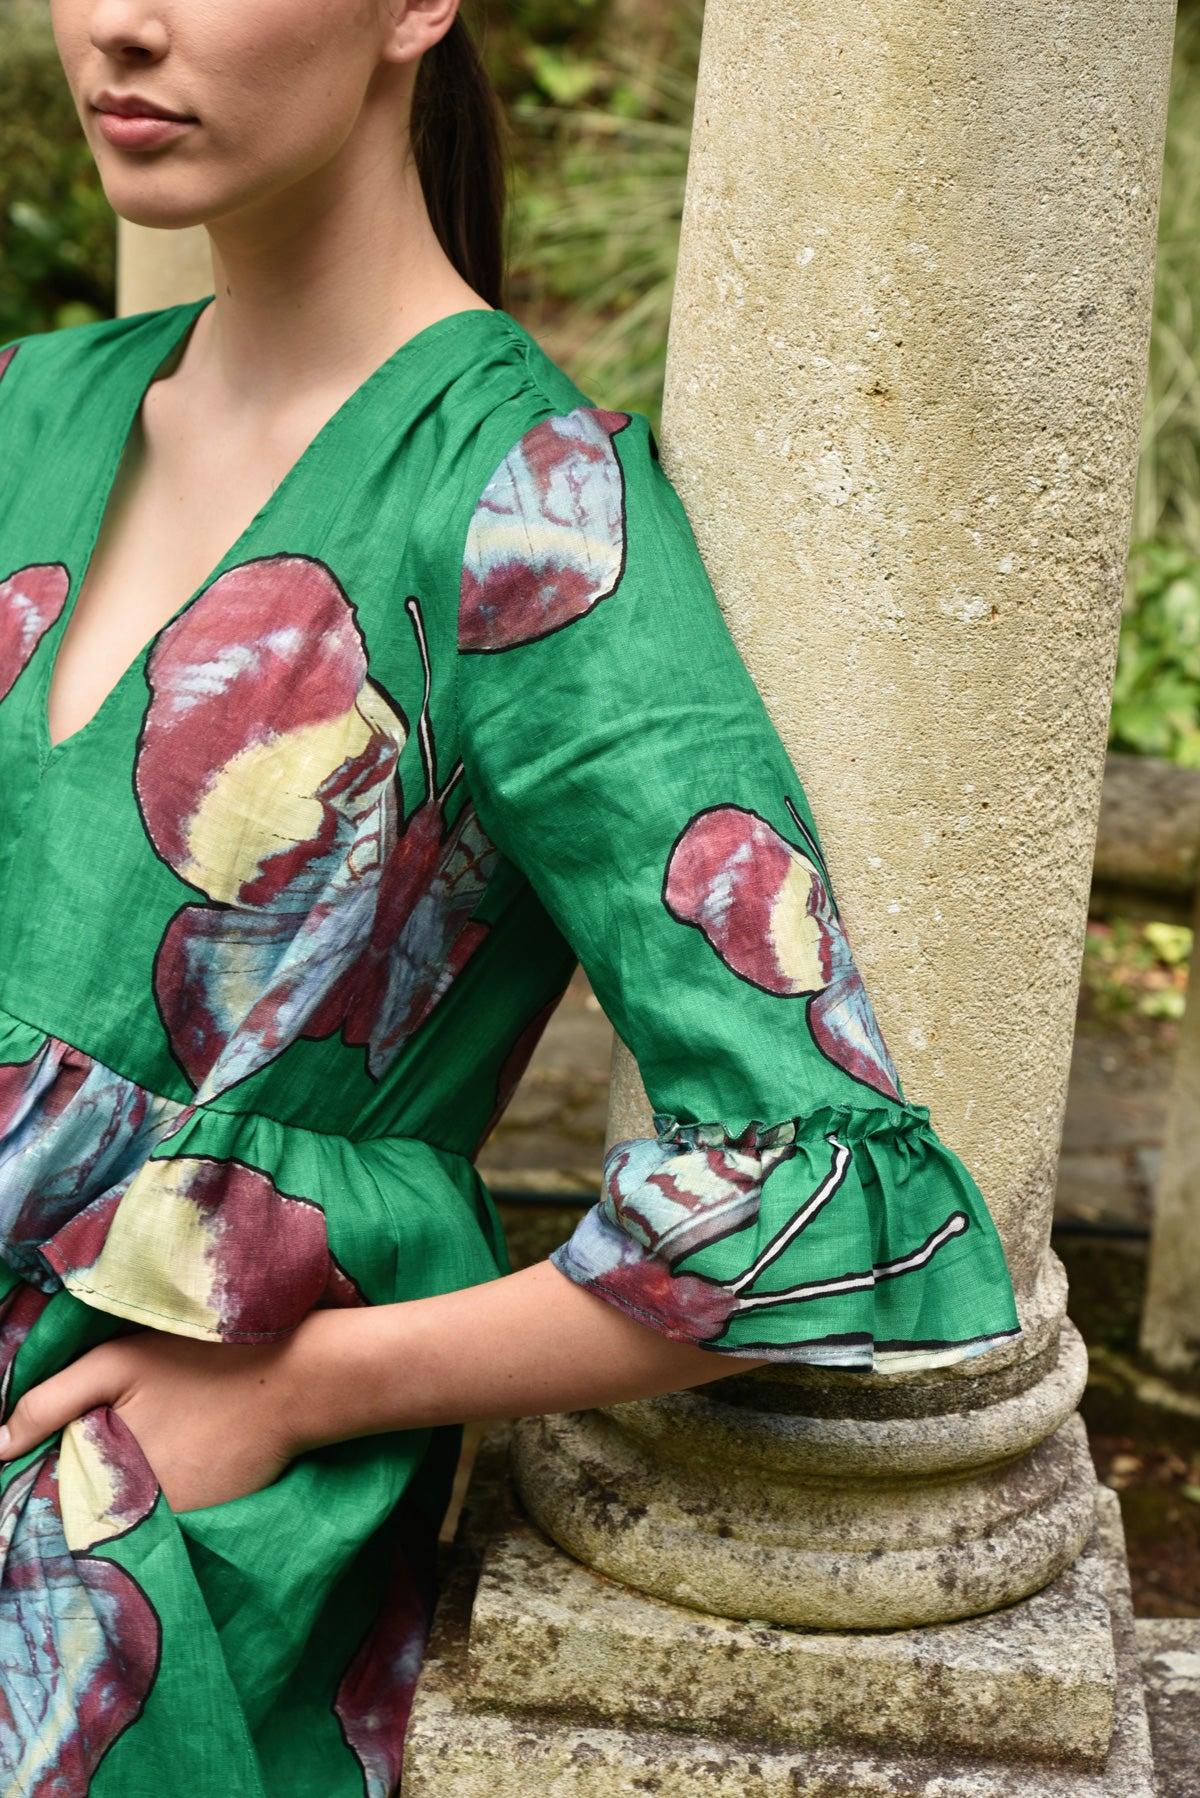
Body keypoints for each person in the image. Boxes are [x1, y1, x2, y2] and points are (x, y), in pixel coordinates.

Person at [0, 1, 1020, 1792]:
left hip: (108, 1540)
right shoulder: (30, 404)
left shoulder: (531, 514)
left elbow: (822, 1179)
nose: (124, 24)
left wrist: (307, 1386)